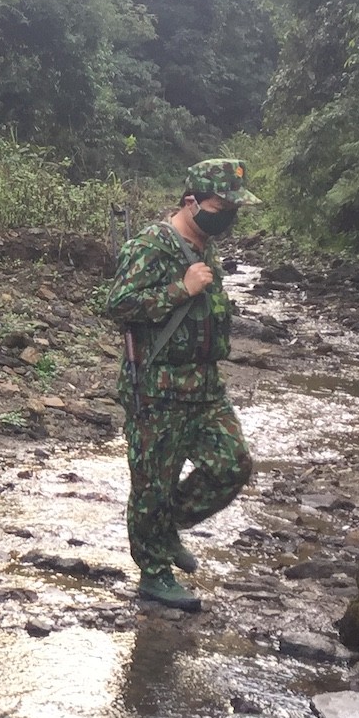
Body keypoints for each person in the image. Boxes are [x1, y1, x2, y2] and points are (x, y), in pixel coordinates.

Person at [99, 158, 261, 611]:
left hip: (206, 385)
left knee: (232, 465)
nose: (228, 213)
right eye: (221, 204)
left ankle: (165, 526)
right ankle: (154, 573)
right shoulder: (152, 245)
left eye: (234, 206)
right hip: (157, 387)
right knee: (153, 482)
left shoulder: (206, 245)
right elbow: (117, 305)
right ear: (191, 201)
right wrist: (181, 289)